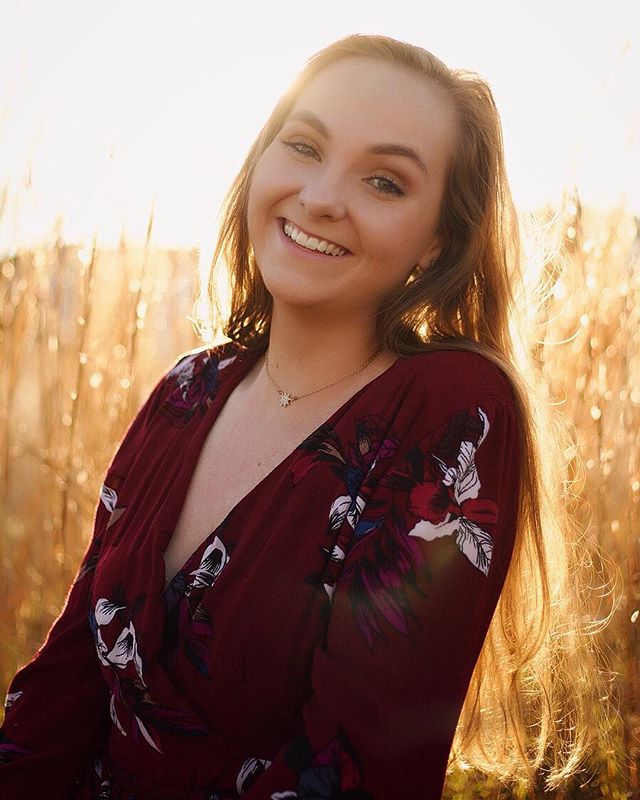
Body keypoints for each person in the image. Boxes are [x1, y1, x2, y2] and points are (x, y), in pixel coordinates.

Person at [0, 34, 610, 800]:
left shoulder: (453, 410)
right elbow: (60, 688)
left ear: (439, 242)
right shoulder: (188, 390)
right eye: (303, 145)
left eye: (384, 181)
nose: (321, 196)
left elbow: (356, 767)